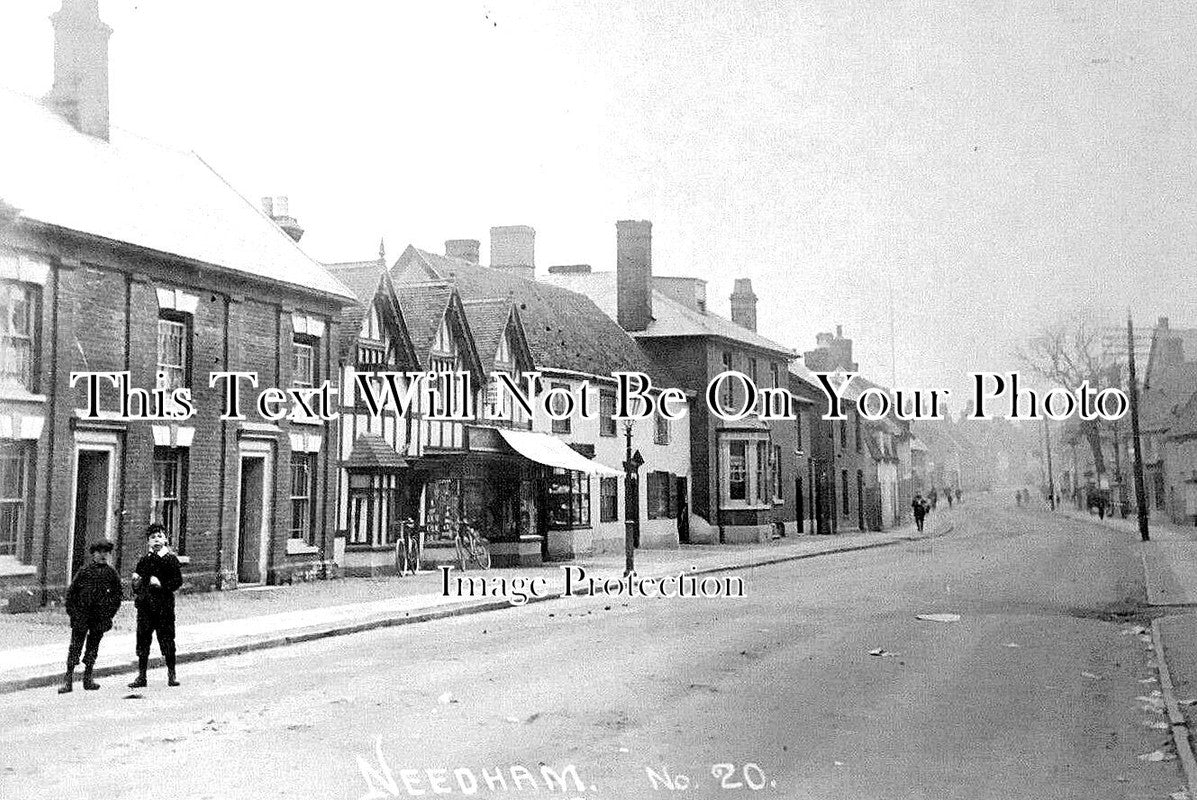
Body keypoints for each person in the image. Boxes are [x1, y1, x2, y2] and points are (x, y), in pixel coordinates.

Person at [58, 540, 123, 693]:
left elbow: (117, 596)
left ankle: (88, 678)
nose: (103, 555)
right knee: (75, 647)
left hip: (99, 617)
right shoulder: (84, 571)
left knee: (93, 647)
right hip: (82, 615)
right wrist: (73, 613)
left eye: (106, 552)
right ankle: (68, 681)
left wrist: (109, 614)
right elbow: (71, 593)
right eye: (100, 552)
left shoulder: (111, 573)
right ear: (93, 554)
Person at [128, 523, 183, 688]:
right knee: (143, 641)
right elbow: (137, 585)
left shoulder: (170, 559)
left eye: (159, 536)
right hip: (145, 608)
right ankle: (142, 676)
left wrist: (161, 584)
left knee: (166, 640)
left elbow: (177, 581)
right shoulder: (144, 560)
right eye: (153, 538)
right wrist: (136, 583)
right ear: (148, 542)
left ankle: (171, 674)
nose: (156, 540)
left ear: (165, 539)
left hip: (163, 607)